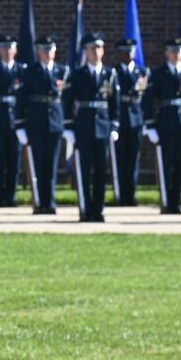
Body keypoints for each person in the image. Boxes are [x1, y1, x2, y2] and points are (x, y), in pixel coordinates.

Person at [65, 32, 117, 223]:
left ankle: (99, 209)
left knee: (101, 172)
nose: (96, 52)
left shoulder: (109, 74)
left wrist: (114, 126)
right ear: (86, 51)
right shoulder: (77, 74)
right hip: (84, 127)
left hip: (103, 127)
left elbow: (114, 104)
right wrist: (69, 127)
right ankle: (85, 209)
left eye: (99, 48)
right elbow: (67, 102)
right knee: (84, 170)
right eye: (92, 48)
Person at [18, 37, 67, 214]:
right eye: (44, 49)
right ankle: (39, 202)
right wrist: (20, 124)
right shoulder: (31, 72)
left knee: (52, 165)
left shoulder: (62, 71)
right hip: (36, 122)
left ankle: (50, 201)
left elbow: (67, 100)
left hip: (55, 122)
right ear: (38, 51)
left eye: (51, 49)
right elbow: (21, 99)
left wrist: (67, 124)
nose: (48, 52)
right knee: (38, 164)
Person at [145, 38, 181, 215]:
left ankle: (176, 201)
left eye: (179, 50)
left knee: (180, 165)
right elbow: (149, 100)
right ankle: (165, 201)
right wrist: (150, 125)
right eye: (172, 50)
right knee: (166, 164)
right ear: (166, 53)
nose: (176, 53)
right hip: (165, 123)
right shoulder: (158, 74)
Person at [0, 33, 24, 207]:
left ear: (15, 50)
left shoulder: (22, 70)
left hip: (16, 121)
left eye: (10, 47)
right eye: (4, 47)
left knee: (14, 160)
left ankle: (11, 195)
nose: (7, 51)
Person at [110, 37, 149, 205]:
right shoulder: (114, 72)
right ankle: (119, 194)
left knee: (133, 159)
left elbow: (146, 98)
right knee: (119, 159)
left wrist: (146, 121)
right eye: (125, 52)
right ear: (119, 53)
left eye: (131, 51)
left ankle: (130, 195)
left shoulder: (142, 72)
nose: (129, 54)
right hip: (120, 118)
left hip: (136, 119)